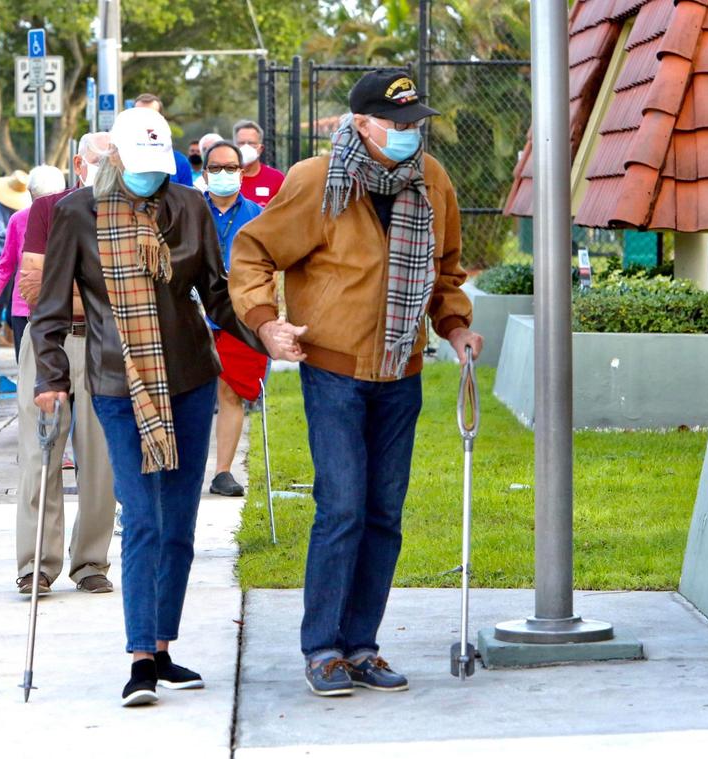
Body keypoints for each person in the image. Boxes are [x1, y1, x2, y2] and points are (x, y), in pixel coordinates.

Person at [229, 69, 483, 697]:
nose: (408, 133)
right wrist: (266, 324)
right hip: (336, 371)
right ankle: (323, 649)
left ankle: (362, 646)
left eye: (414, 122)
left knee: (383, 513)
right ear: (362, 123)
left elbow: (445, 270)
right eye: (396, 123)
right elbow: (253, 251)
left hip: (402, 371)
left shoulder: (433, 182)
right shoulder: (318, 181)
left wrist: (454, 327)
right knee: (341, 507)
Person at [29, 107, 272, 707]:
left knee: (180, 524)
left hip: (190, 379)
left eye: (157, 169)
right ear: (115, 160)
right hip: (120, 384)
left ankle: (164, 648)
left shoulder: (187, 207)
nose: (148, 178)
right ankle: (139, 659)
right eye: (138, 168)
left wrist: (265, 331)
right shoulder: (76, 212)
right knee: (142, 518)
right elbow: (52, 308)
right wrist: (52, 376)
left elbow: (215, 294)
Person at [12, 133, 118, 597]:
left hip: (104, 346)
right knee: (40, 458)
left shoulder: (124, 210)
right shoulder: (48, 208)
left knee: (102, 462)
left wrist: (67, 286)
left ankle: (91, 562)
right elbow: (33, 288)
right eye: (102, 160)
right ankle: (36, 563)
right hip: (48, 342)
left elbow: (136, 289)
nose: (110, 167)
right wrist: (98, 290)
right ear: (79, 163)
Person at [200, 141, 264, 497]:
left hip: (237, 316)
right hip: (193, 315)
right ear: (205, 172)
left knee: (231, 391)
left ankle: (223, 471)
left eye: (230, 168)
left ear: (242, 172)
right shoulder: (190, 209)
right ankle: (184, 469)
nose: (223, 174)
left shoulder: (258, 214)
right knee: (189, 394)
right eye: (216, 168)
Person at [0, 166, 66, 362]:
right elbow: (6, 264)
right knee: (27, 371)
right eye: (40, 200)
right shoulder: (19, 220)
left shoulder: (71, 219)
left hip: (61, 307)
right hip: (24, 311)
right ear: (30, 195)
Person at [132, 93, 194, 187]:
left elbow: (187, 199)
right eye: (139, 116)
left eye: (151, 116)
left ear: (161, 120)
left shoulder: (179, 162)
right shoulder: (119, 159)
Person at [233, 119, 285, 207]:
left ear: (260, 149)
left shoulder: (276, 179)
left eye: (251, 143)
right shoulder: (225, 178)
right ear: (234, 147)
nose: (246, 147)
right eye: (241, 143)